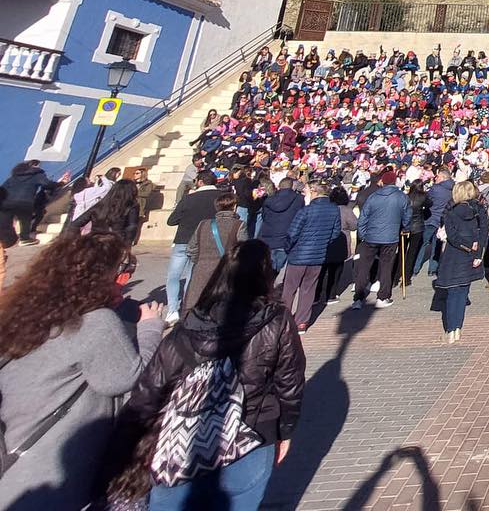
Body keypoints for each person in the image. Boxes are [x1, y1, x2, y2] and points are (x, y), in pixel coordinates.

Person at [114, 242, 304, 511]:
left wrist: (129, 440)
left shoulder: (191, 322)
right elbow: (290, 383)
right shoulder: (278, 320)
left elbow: (151, 388)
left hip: (184, 439)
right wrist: (286, 430)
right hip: (253, 432)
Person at [0, 231, 164, 508]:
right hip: (52, 469)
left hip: (16, 458)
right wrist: (151, 329)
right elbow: (128, 378)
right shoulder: (97, 323)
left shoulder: (28, 312)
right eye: (121, 271)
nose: (123, 281)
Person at [282, 182, 342, 332]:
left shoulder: (306, 211)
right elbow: (335, 233)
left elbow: (292, 234)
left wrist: (288, 248)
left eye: (307, 189)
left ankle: (284, 320)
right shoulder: (334, 210)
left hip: (298, 256)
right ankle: (302, 322)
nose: (305, 191)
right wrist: (322, 244)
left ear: (314, 191)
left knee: (289, 289)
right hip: (318, 255)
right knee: (308, 289)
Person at [352, 168, 412, 310]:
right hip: (390, 237)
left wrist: (363, 234)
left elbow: (363, 218)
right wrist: (405, 228)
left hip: (372, 236)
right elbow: (407, 216)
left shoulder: (374, 196)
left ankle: (358, 299)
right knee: (386, 267)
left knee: (364, 267)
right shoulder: (402, 197)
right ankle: (382, 296)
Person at [165, 169, 220, 323]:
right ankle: (187, 307)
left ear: (200, 182)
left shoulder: (189, 198)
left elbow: (171, 221)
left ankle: (172, 310)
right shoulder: (221, 197)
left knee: (174, 276)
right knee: (192, 275)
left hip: (184, 239)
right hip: (205, 240)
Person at [434, 180, 485, 342]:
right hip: (472, 254)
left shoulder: (451, 211)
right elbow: (484, 232)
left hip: (454, 254)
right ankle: (458, 328)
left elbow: (452, 235)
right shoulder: (479, 210)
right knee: (462, 292)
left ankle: (451, 328)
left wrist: (468, 246)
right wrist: (478, 252)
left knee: (453, 292)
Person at [184, 188, 245, 314]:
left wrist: (201, 261)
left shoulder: (203, 224)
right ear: (234, 207)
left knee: (195, 307)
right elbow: (243, 252)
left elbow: (191, 249)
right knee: (220, 310)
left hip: (201, 271)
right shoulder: (239, 225)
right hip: (225, 272)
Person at [254, 176, 303, 272]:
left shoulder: (269, 199)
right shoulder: (299, 199)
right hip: (285, 238)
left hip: (268, 236)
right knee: (277, 271)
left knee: (265, 269)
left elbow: (264, 216)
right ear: (292, 187)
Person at [417, 168, 453, 275]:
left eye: (437, 177)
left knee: (423, 244)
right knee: (436, 245)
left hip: (431, 219)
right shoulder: (453, 189)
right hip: (442, 220)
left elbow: (426, 199)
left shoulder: (435, 189)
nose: (436, 178)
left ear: (442, 177)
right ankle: (433, 269)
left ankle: (416, 267)